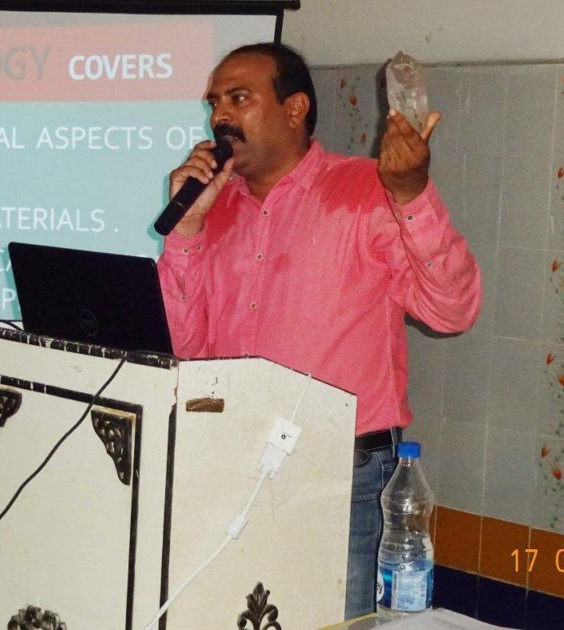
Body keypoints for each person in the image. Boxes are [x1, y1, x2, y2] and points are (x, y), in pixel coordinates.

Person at [156, 42, 482, 619]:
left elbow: (451, 310)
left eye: (238, 98)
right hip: (232, 460)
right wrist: (187, 230)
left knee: (332, 622)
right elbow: (187, 350)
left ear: (294, 108)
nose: (219, 117)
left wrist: (411, 194)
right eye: (214, 104)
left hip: (341, 475)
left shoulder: (366, 190)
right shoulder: (214, 208)